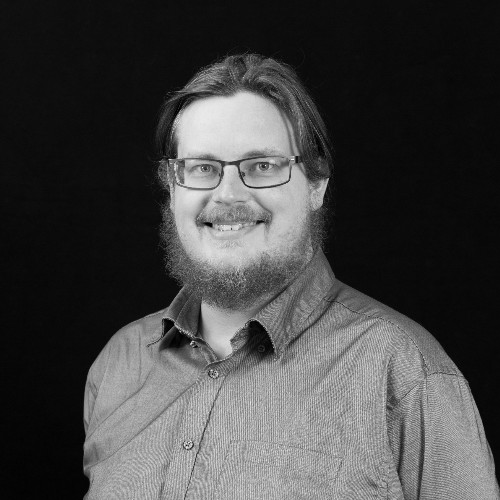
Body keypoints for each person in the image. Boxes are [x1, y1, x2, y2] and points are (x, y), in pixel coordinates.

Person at [83, 53, 499, 499]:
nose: (227, 195)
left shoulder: (405, 372)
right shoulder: (119, 366)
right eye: (203, 168)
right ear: (172, 186)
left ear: (316, 184)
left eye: (262, 166)